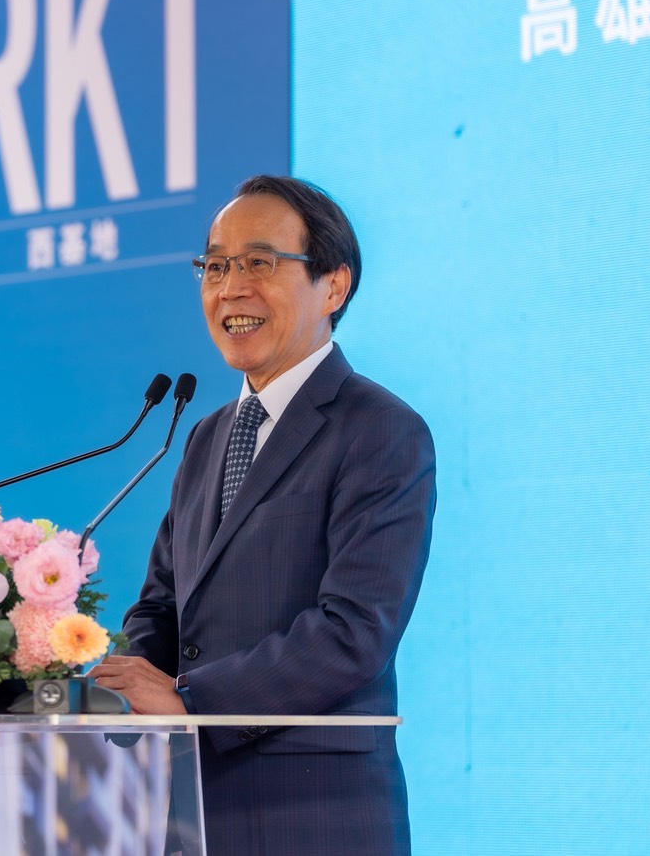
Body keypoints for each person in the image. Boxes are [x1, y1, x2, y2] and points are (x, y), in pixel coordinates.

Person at [88, 174, 435, 856]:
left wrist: (191, 700)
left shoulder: (380, 429)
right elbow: (162, 604)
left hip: (311, 811)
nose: (230, 288)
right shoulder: (205, 435)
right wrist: (117, 683)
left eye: (258, 262)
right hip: (187, 807)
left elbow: (354, 630)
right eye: (215, 266)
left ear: (332, 286)